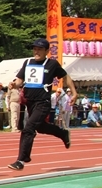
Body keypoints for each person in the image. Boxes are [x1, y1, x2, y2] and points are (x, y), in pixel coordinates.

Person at [8, 38, 76, 171]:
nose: (36, 51)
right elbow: (19, 80)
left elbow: (65, 77)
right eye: (34, 48)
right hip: (30, 102)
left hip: (43, 102)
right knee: (41, 127)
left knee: (28, 129)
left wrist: (74, 92)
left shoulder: (52, 64)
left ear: (46, 51)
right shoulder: (28, 62)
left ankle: (21, 160)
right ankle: (62, 134)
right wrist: (14, 84)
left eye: (39, 49)